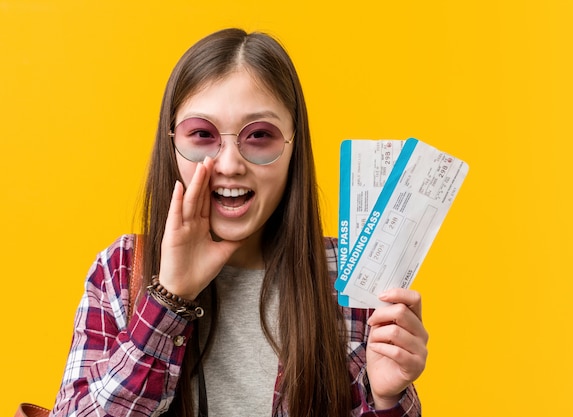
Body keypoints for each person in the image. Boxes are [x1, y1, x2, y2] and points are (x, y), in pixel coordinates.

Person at [51, 28, 428, 417]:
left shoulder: (350, 278)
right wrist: (168, 299)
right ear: (172, 143)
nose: (230, 165)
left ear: (293, 145)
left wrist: (386, 400)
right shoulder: (123, 269)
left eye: (259, 136)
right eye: (201, 134)